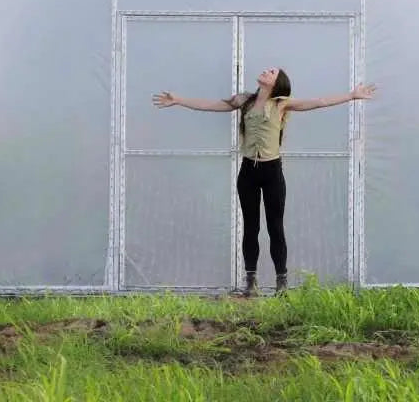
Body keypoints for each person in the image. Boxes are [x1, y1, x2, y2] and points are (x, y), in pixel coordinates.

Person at [152, 67, 376, 297]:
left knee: (275, 227)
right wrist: (178, 100)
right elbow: (210, 105)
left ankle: (281, 283)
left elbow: (319, 101)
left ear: (277, 83)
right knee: (251, 227)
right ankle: (251, 282)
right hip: (249, 171)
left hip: (272, 172)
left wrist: (352, 95)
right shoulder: (244, 100)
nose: (266, 71)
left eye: (272, 72)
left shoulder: (281, 104)